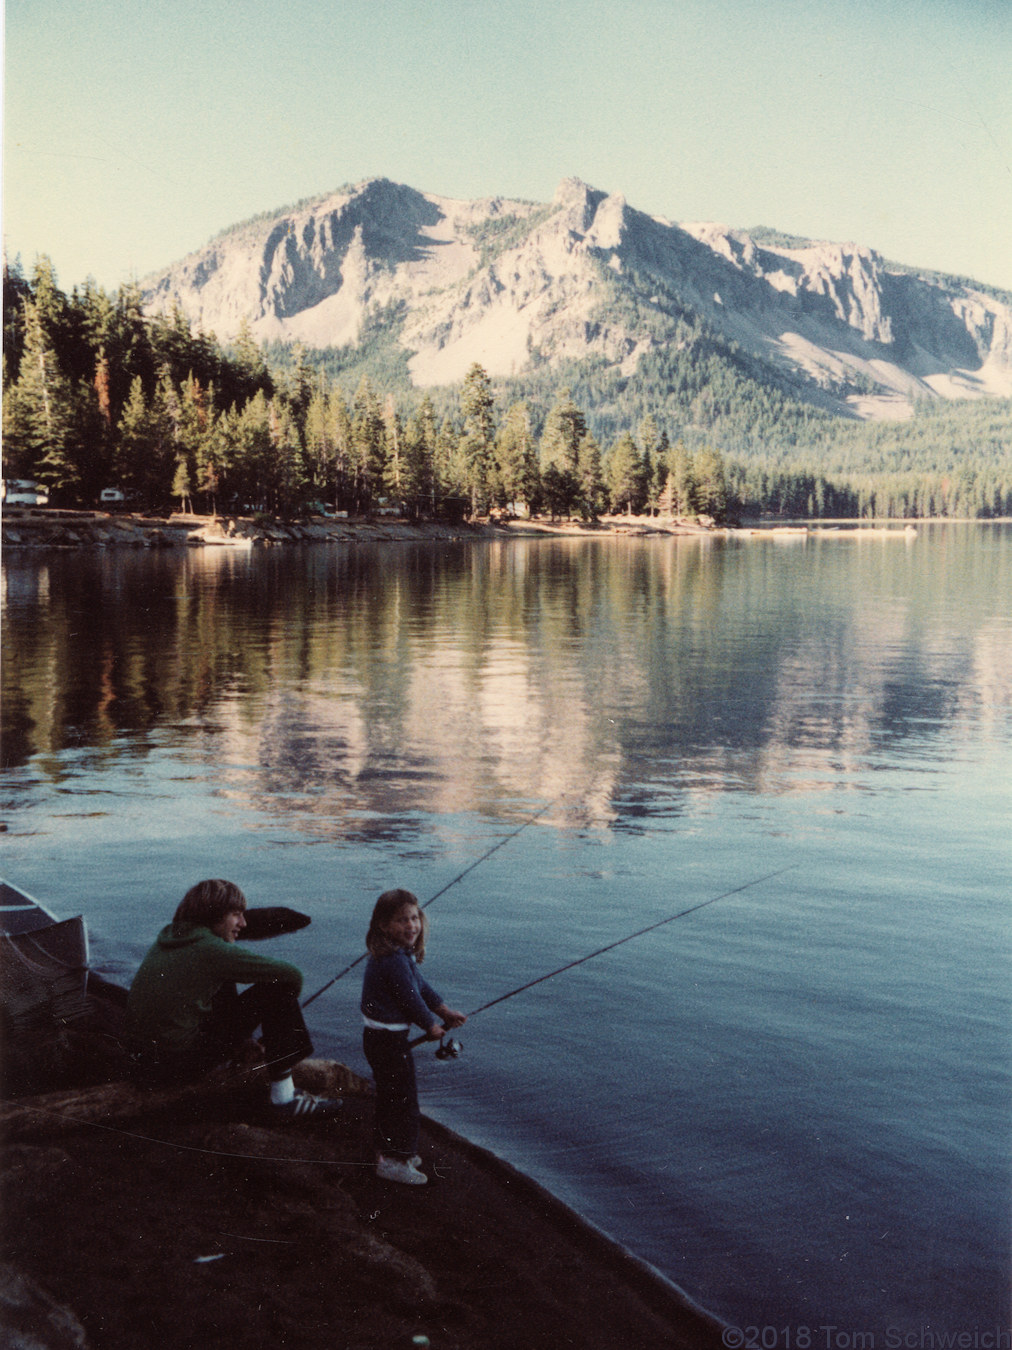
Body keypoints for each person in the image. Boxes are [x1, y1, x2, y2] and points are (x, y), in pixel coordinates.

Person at [126, 878, 341, 1118]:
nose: (244, 923)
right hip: (175, 1066)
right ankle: (283, 1099)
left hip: (143, 1060)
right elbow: (292, 975)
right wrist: (277, 1025)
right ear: (215, 914)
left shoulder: (169, 937)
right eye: (236, 915)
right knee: (278, 989)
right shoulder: (211, 950)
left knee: (223, 978)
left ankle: (252, 1053)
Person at [360, 888, 466, 1185]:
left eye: (414, 918)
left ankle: (389, 1151)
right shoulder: (392, 961)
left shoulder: (399, 956)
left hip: (383, 1040)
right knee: (403, 1100)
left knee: (392, 1096)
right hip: (388, 1042)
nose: (411, 926)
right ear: (383, 926)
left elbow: (421, 987)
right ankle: (394, 1159)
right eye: (401, 920)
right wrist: (431, 1026)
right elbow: (409, 999)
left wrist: (444, 1011)